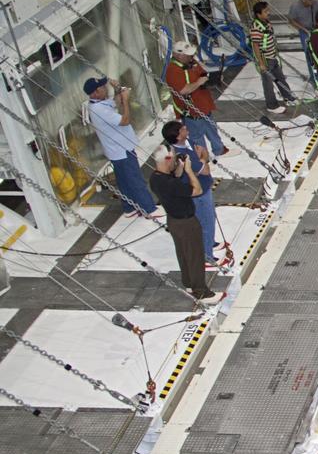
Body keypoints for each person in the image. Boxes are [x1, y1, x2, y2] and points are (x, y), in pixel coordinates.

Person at [148, 148, 223, 304]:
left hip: (174, 221)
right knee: (195, 256)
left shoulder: (155, 178)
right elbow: (197, 190)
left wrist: (180, 168)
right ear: (168, 159)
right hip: (187, 222)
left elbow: (173, 177)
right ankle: (201, 292)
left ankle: (189, 283)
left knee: (183, 253)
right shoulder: (171, 184)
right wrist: (188, 170)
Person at [84, 76, 158, 217]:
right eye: (103, 87)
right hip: (121, 149)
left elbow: (114, 103)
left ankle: (129, 208)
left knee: (124, 181)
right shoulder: (99, 109)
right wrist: (126, 101)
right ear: (95, 92)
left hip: (117, 150)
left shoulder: (99, 103)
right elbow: (125, 120)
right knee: (135, 179)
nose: (106, 89)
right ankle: (149, 209)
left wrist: (117, 90)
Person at [162, 120, 227, 268]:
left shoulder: (188, 142)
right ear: (178, 136)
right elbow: (205, 169)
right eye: (183, 129)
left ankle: (210, 242)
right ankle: (206, 255)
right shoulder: (181, 155)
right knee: (206, 222)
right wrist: (201, 159)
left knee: (210, 217)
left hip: (204, 187)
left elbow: (204, 153)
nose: (186, 128)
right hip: (199, 194)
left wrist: (202, 159)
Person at [164, 41, 238, 158]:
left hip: (203, 104)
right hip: (191, 110)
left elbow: (202, 74)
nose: (191, 57)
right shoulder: (172, 70)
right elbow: (183, 90)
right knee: (197, 136)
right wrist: (198, 82)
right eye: (188, 55)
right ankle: (203, 159)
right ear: (178, 55)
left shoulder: (191, 62)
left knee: (211, 128)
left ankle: (219, 149)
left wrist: (214, 78)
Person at [249, 1, 297, 114]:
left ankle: (288, 97)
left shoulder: (266, 22)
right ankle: (271, 105)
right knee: (268, 84)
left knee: (280, 78)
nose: (268, 13)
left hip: (272, 57)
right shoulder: (256, 27)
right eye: (265, 11)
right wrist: (261, 63)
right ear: (258, 14)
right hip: (265, 60)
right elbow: (255, 46)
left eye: (268, 10)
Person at [287, 0, 318, 81]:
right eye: (310, 0)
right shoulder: (295, 7)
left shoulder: (317, 1)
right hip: (305, 31)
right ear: (304, 0)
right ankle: (314, 77)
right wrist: (303, 29)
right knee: (310, 54)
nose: (313, 1)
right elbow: (291, 20)